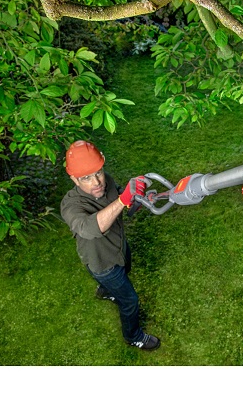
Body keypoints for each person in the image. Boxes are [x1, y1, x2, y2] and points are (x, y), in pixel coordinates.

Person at [60, 140, 160, 351]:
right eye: (86, 178)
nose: (96, 182)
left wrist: (139, 199)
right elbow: (89, 228)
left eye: (98, 172)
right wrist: (124, 200)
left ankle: (105, 292)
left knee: (126, 271)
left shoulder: (108, 183)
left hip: (120, 248)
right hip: (103, 264)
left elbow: (123, 202)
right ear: (74, 179)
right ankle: (133, 336)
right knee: (130, 301)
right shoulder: (70, 206)